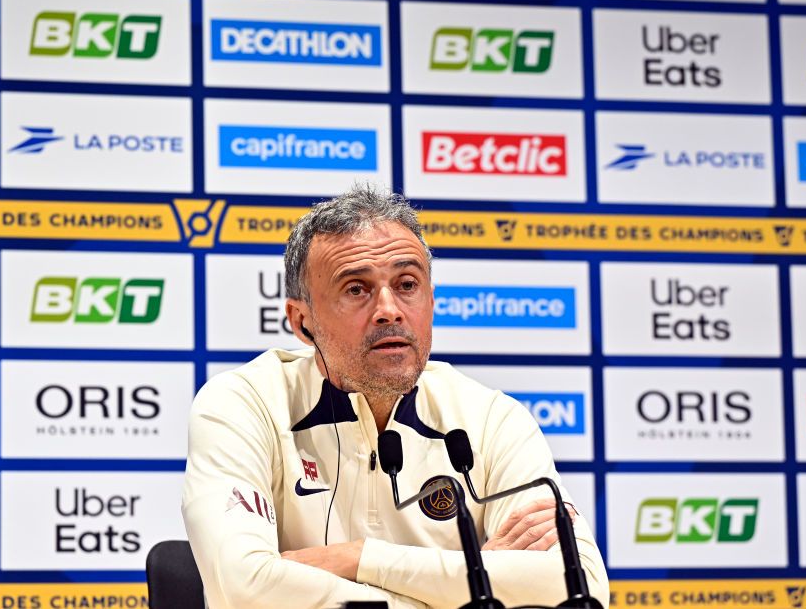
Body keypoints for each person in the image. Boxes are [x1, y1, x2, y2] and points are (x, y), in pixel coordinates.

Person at [182, 185, 609, 609]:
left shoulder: (490, 418)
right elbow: (242, 587)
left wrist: (359, 558)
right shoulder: (243, 404)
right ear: (302, 321)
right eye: (356, 289)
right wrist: (468, 581)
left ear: (431, 301)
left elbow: (582, 587)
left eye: (407, 284)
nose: (390, 309)